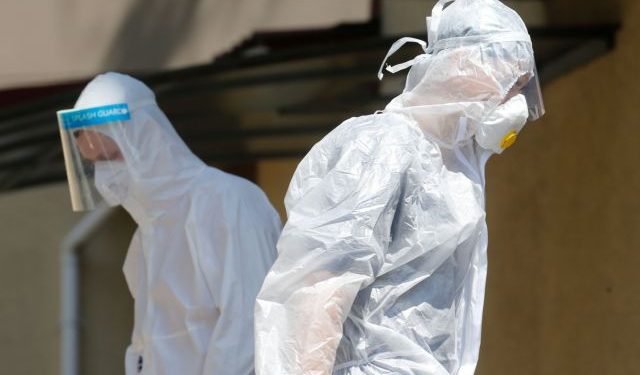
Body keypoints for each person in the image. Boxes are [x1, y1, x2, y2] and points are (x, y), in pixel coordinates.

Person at [254, 0, 545, 374]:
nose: (513, 99)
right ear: (460, 62)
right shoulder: (382, 145)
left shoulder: (458, 167)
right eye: (509, 79)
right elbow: (318, 283)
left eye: (521, 85)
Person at [57, 72, 281, 375]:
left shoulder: (228, 202)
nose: (103, 174)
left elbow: (249, 330)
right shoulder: (147, 234)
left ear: (146, 139)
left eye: (110, 156)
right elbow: (147, 346)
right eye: (95, 163)